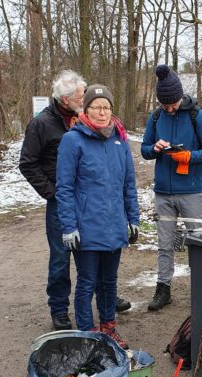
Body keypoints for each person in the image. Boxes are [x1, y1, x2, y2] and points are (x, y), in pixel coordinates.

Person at [19, 70, 131, 331]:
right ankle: (59, 309)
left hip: (89, 204)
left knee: (95, 256)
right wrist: (53, 192)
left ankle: (106, 303)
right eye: (82, 97)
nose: (86, 101)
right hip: (61, 200)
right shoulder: (43, 124)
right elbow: (28, 163)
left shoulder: (86, 122)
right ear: (66, 98)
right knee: (60, 257)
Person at [55, 84, 139, 349]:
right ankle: (88, 334)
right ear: (86, 109)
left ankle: (108, 327)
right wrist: (69, 226)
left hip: (114, 225)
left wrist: (132, 218)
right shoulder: (73, 140)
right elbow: (64, 188)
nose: (102, 113)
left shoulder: (120, 140)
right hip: (87, 227)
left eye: (106, 108)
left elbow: (129, 184)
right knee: (87, 282)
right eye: (96, 107)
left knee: (109, 282)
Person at [140, 64, 202, 311]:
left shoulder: (197, 115)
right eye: (165, 105)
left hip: (191, 191)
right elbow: (144, 148)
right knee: (165, 244)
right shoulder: (156, 116)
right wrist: (154, 149)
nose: (169, 108)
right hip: (163, 191)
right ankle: (163, 289)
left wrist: (188, 156)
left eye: (172, 103)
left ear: (180, 97)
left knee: (198, 242)